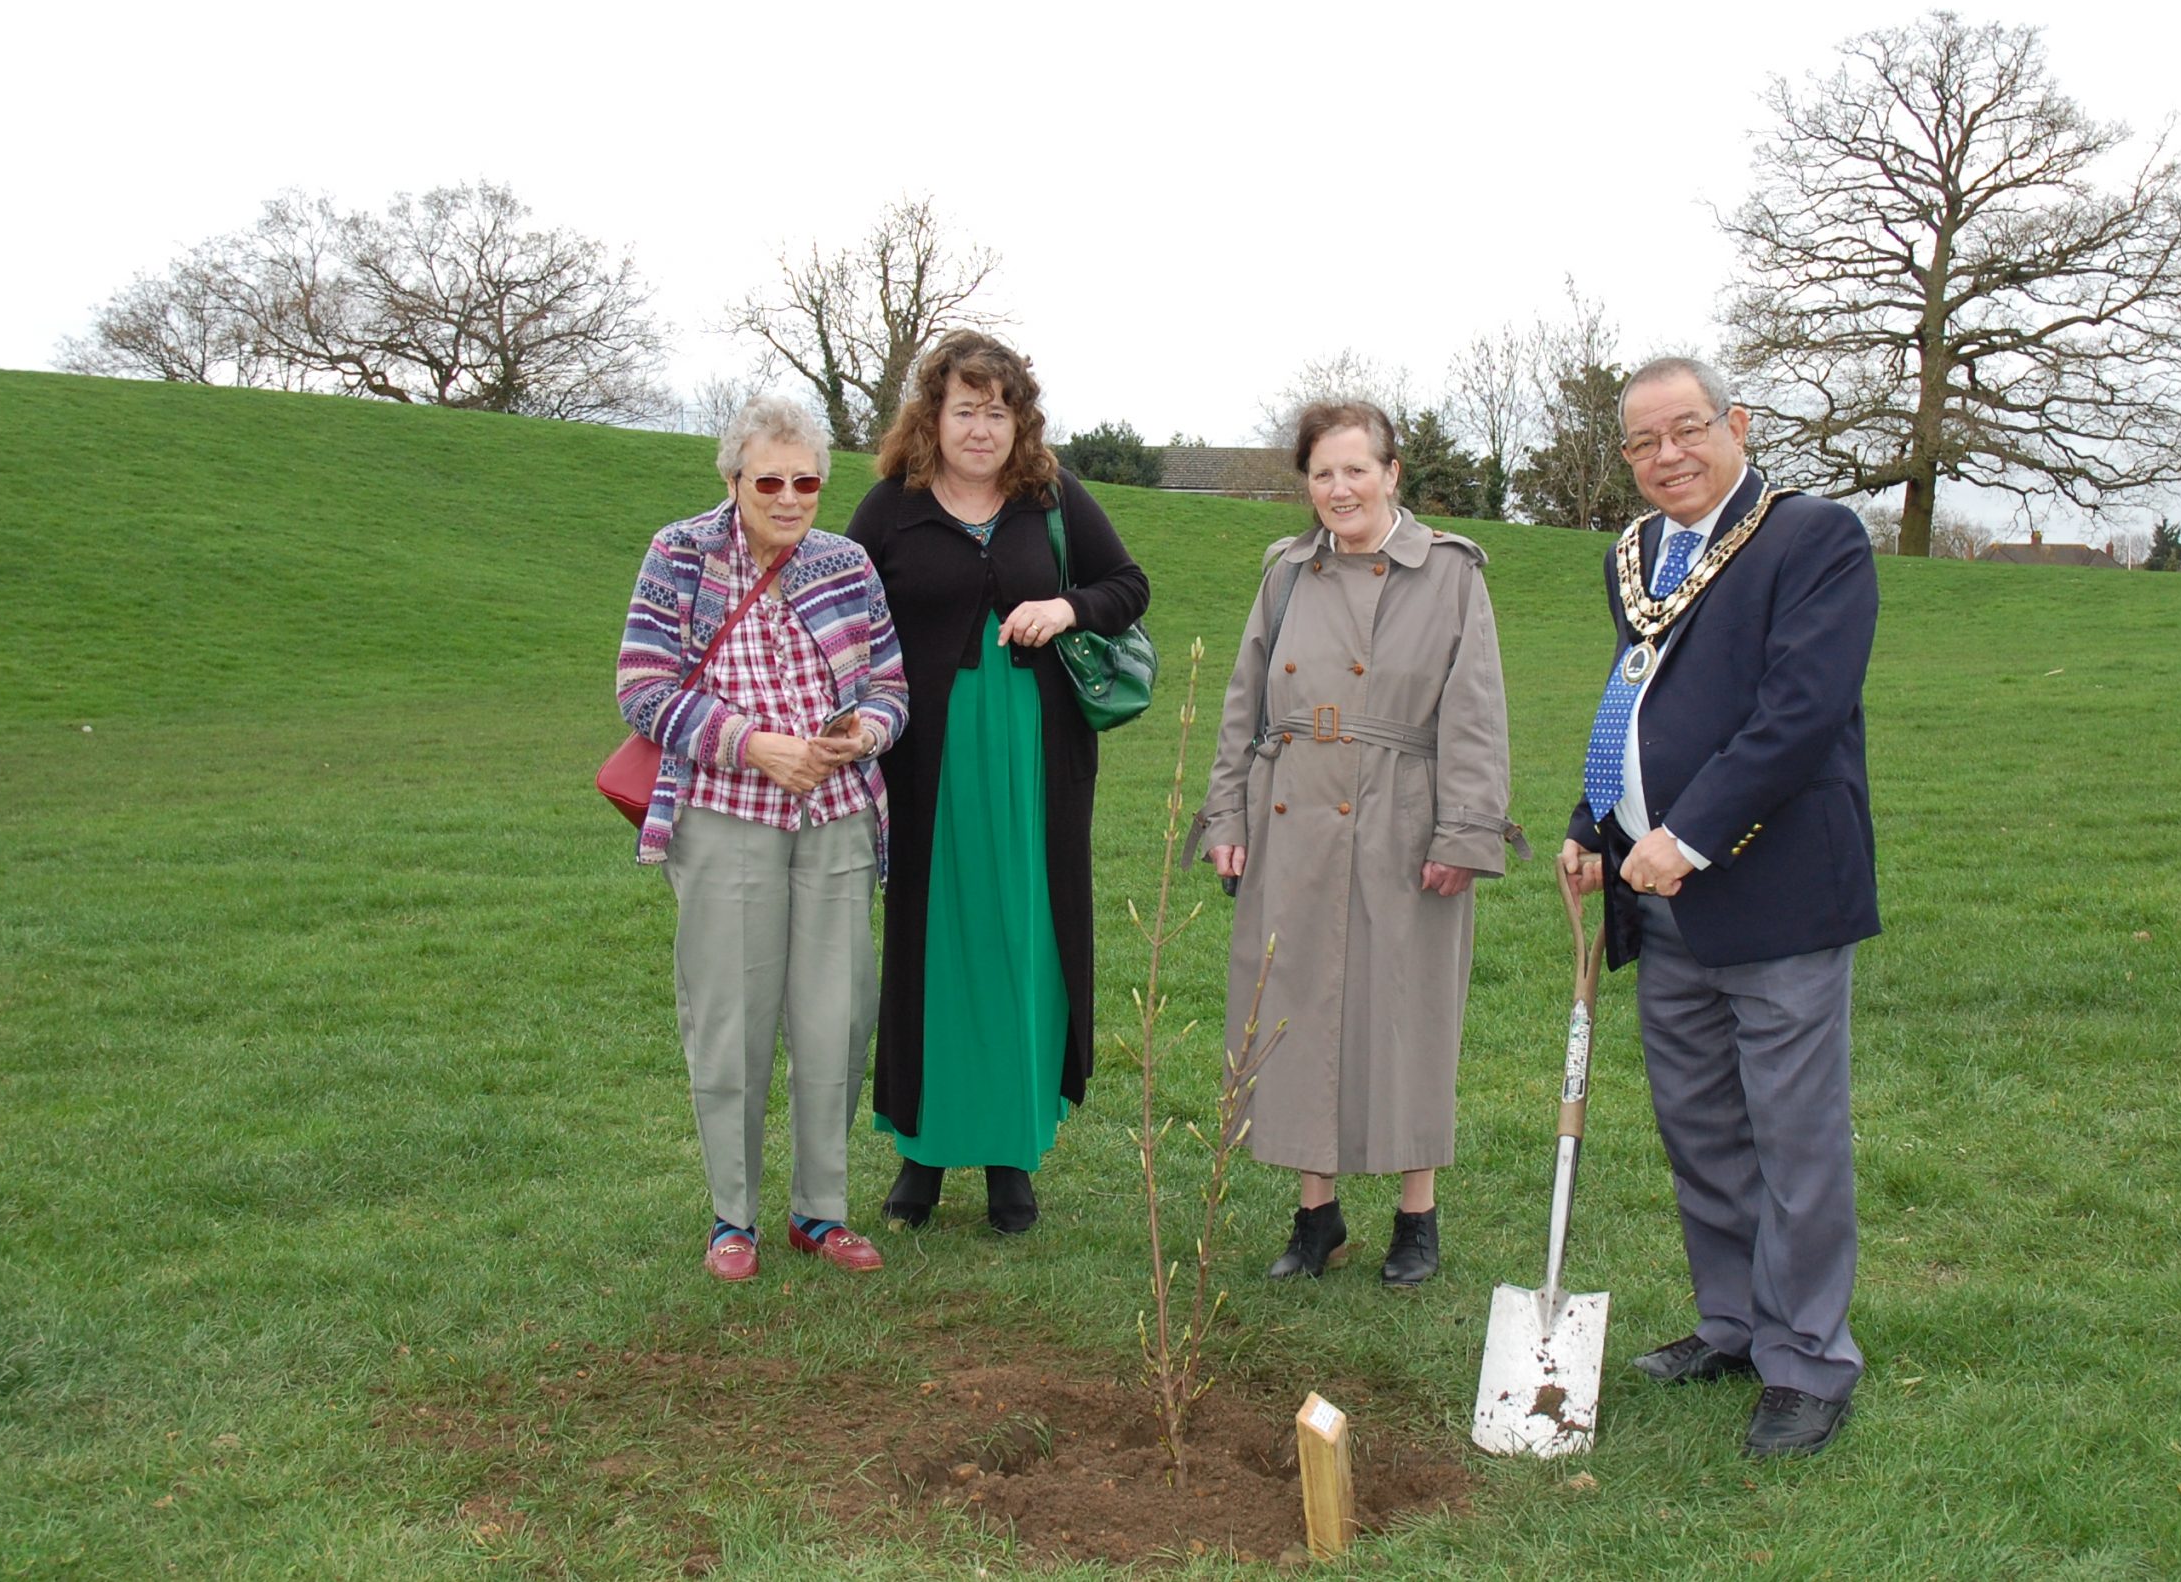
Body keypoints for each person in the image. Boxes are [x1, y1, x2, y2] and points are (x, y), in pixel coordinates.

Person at [1560, 356, 1880, 1457]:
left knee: (1792, 1136)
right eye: (1642, 444)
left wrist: (1685, 837)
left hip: (1774, 889)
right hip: (1657, 894)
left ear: (1736, 422)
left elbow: (1801, 710)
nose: (1665, 457)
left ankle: (1808, 1362)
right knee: (1700, 1125)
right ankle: (1735, 1325)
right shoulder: (1639, 554)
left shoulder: (1813, 538)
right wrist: (1591, 819)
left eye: (1685, 430)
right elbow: (1632, 691)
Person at [1191, 400, 1525, 1288]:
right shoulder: (1286, 574)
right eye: (1322, 473)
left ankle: (1417, 1217)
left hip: (1403, 817)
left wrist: (1464, 831)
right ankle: (1316, 1216)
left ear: (1391, 474)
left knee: (1407, 1011)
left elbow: (1477, 715)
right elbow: (1242, 703)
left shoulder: (1451, 573)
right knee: (1293, 1006)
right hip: (1290, 810)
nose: (1339, 489)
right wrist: (1225, 817)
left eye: (1355, 470)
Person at [845, 331, 1149, 1234]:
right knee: (934, 945)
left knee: (1026, 939)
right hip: (926, 767)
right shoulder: (888, 512)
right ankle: (922, 1157)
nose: (982, 428)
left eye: (998, 410)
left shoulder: (1051, 498)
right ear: (931, 418)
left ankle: (1014, 1159)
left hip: (1037, 763)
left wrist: (1068, 605)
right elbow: (838, 617)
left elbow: (1127, 584)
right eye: (964, 409)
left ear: (1021, 421)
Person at [616, 395, 909, 1282]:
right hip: (723, 813)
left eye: (807, 481)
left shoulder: (847, 563)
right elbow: (642, 688)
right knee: (731, 1020)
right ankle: (730, 1218)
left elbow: (892, 685)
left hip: (836, 816)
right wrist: (755, 746)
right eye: (769, 480)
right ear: (733, 477)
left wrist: (860, 737)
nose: (789, 497)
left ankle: (821, 1213)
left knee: (837, 1016)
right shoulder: (682, 553)